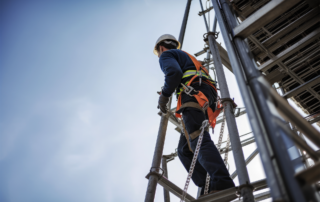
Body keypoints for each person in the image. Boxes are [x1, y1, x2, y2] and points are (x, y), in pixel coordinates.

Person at [154, 34, 235, 196]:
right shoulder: (187, 57)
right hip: (205, 96)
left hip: (194, 95)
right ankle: (210, 185)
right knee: (184, 149)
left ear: (161, 48)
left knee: (198, 137)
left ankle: (222, 182)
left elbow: (174, 73)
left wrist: (164, 97)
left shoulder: (167, 55)